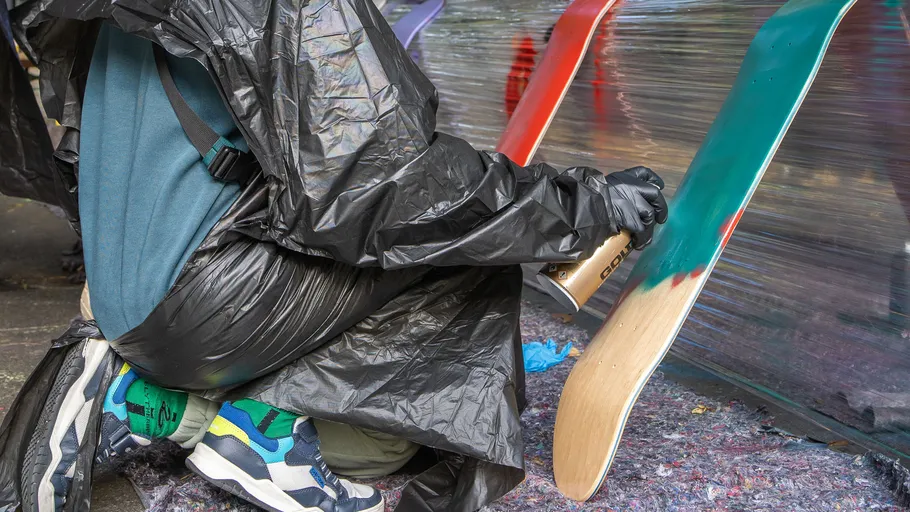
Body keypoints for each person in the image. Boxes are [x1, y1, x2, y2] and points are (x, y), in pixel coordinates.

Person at [9, 7, 668, 512]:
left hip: (127, 294)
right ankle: (295, 453)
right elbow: (393, 191)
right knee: (467, 245)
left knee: (428, 221)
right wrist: (588, 205)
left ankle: (157, 401)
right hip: (200, 301)